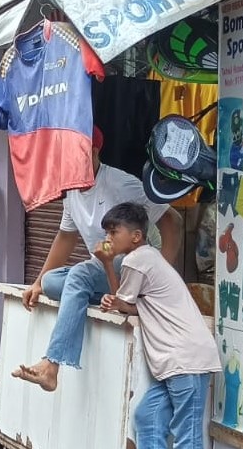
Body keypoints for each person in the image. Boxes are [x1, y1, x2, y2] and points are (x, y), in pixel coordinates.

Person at [15, 131, 181, 392]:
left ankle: (52, 364)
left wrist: (162, 274)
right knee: (52, 282)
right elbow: (65, 238)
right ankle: (120, 300)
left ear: (93, 152)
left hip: (135, 261)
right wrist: (36, 282)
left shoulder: (121, 183)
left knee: (80, 275)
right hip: (105, 262)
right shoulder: (70, 191)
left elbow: (172, 221)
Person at [97, 202, 219, 449]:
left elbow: (123, 301)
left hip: (185, 359)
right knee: (147, 416)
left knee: (187, 436)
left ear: (136, 236)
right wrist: (117, 300)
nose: (108, 239)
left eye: (113, 232)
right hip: (175, 362)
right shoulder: (149, 257)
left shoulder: (137, 259)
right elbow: (128, 305)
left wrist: (105, 262)